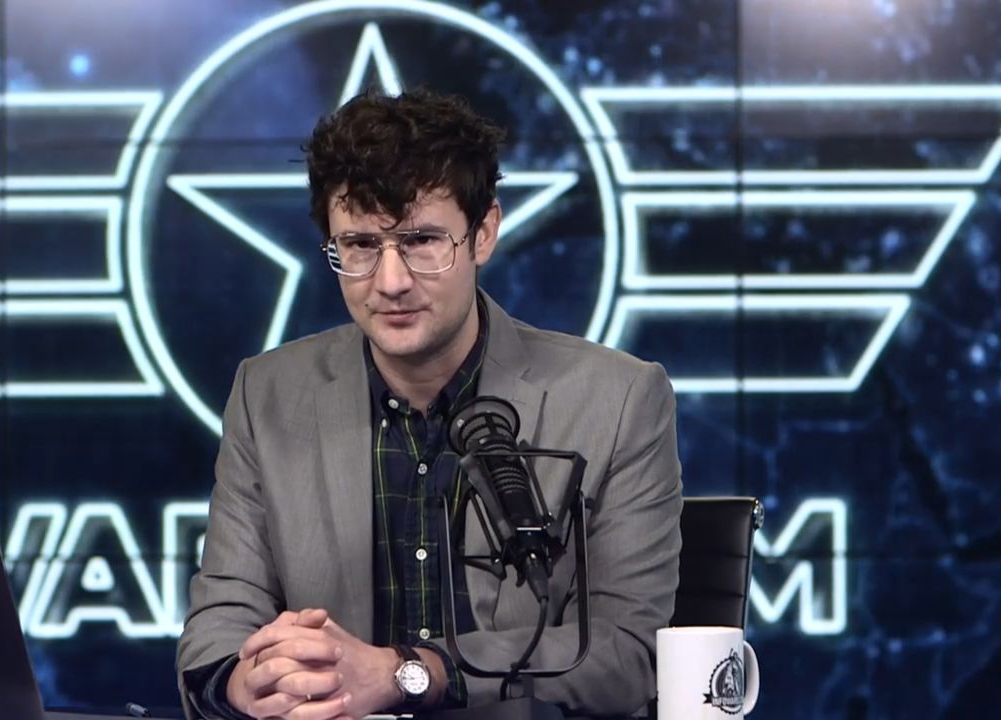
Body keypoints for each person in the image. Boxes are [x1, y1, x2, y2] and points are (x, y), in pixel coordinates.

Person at [177, 88, 682, 720]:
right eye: (360, 246)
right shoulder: (268, 394)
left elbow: (628, 653)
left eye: (421, 241)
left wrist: (411, 673)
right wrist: (245, 680)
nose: (390, 282)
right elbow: (220, 622)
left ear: (483, 233)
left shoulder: (618, 399)